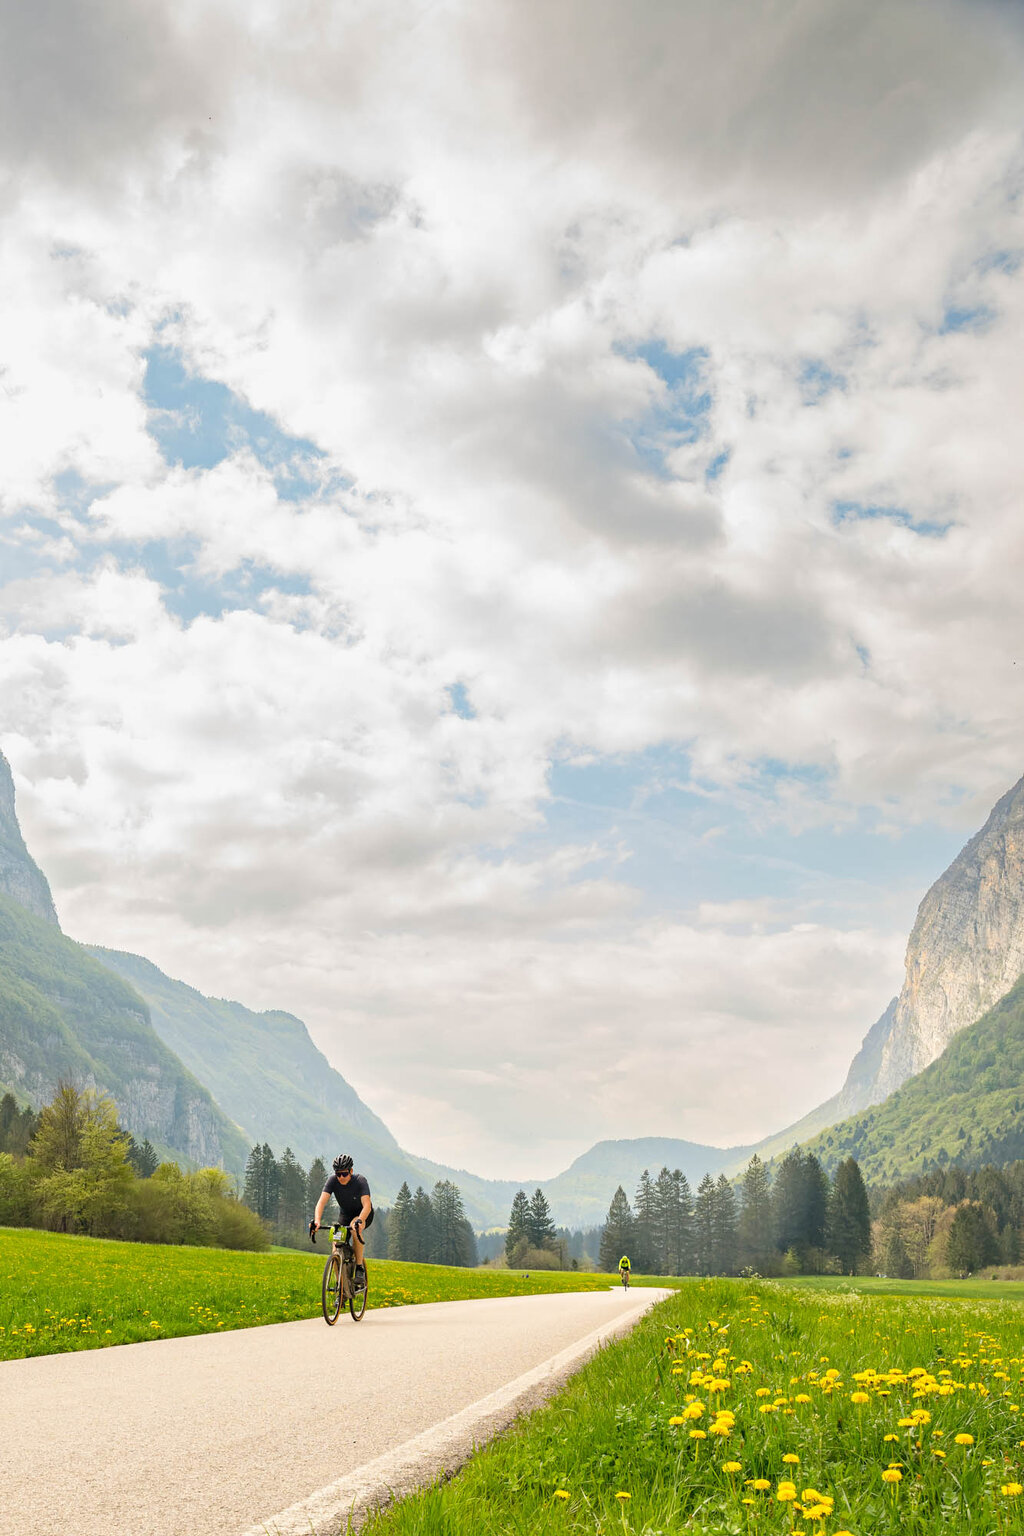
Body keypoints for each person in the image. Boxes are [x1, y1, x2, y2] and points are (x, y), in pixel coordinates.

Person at [309, 1154, 373, 1290]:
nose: (341, 1177)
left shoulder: (360, 1181)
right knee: (336, 1245)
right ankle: (340, 1286)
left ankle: (360, 1267)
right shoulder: (332, 1181)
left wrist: (361, 1221)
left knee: (355, 1228)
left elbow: (367, 1205)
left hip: (362, 1214)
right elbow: (321, 1203)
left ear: (351, 1171)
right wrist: (317, 1221)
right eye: (338, 1174)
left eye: (344, 1173)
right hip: (345, 1215)